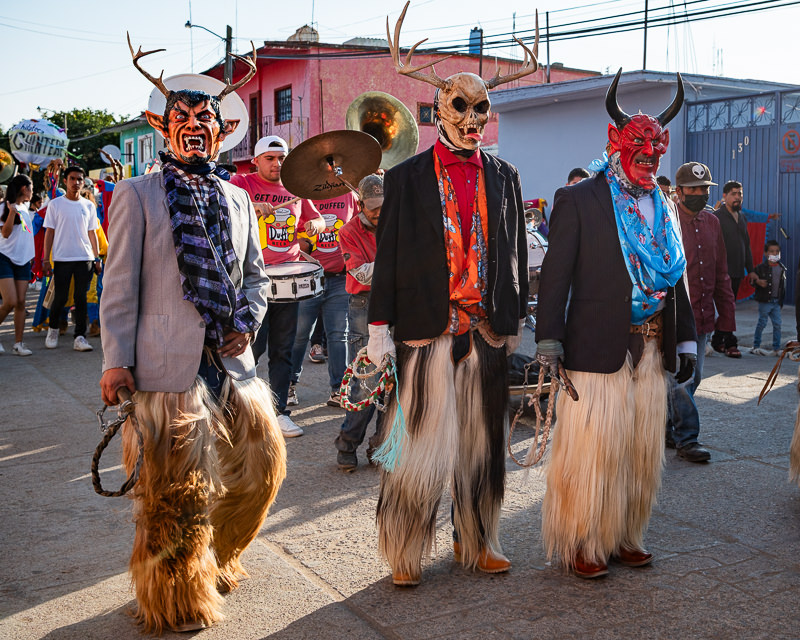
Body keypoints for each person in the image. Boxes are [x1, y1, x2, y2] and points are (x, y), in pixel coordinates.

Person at [100, 39, 286, 633]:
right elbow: (119, 288)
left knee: (260, 472)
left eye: (205, 119)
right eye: (182, 118)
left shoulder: (237, 197)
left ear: (222, 130)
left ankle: (216, 559)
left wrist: (246, 322)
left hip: (232, 364)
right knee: (173, 499)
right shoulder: (136, 195)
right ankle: (173, 598)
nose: (195, 128)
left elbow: (256, 277)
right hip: (164, 369)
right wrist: (115, 362)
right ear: (162, 126)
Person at [366, 4, 530, 586]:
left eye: (481, 106)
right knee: (415, 449)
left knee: (482, 445)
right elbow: (387, 258)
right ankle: (405, 549)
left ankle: (479, 538)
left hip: (484, 331)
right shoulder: (406, 177)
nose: (472, 117)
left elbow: (514, 252)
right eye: (460, 105)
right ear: (439, 110)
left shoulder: (505, 175)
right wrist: (378, 328)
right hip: (425, 329)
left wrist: (515, 315)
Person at [536, 69, 697, 579]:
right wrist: (548, 341)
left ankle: (627, 533)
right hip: (595, 346)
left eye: (656, 146)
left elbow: (677, 275)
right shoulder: (580, 199)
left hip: (650, 347)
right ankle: (583, 539)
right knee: (591, 451)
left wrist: (687, 336)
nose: (649, 154)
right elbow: (555, 277)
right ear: (616, 141)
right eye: (639, 144)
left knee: (638, 452)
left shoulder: (665, 203)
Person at [230, 135, 325, 437]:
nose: (277, 163)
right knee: (248, 348)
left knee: (283, 349)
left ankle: (279, 412)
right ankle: (235, 410)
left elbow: (319, 220)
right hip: (250, 279)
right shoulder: (241, 184)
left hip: (289, 280)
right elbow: (223, 209)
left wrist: (315, 226)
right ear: (255, 160)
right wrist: (250, 207)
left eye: (281, 157)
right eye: (270, 158)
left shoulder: (296, 187)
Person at [667, 162, 734, 463]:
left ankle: (668, 429)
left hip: (704, 317)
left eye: (704, 189)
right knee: (683, 379)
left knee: (695, 378)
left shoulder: (712, 223)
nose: (699, 194)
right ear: (679, 191)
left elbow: (721, 273)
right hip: (677, 317)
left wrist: (727, 323)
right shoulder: (667, 220)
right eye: (693, 189)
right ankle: (687, 439)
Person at [334, 174, 386, 471]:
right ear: (360, 203)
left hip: (395, 302)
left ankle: (380, 446)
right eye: (373, 208)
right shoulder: (348, 231)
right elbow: (360, 274)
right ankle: (347, 444)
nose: (379, 213)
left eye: (383, 206)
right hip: (364, 305)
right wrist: (396, 261)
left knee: (394, 382)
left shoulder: (395, 221)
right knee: (367, 381)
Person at [289, 189, 356, 408]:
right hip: (308, 275)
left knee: (339, 335)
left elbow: (358, 229)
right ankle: (288, 385)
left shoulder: (349, 195)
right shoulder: (303, 195)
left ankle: (339, 390)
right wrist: (304, 242)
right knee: (299, 335)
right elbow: (291, 234)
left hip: (339, 279)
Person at [41, 166, 101, 352]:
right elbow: (49, 232)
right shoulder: (55, 204)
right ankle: (53, 329)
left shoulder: (89, 206)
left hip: (85, 258)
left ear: (83, 182)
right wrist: (45, 259)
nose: (76, 183)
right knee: (60, 297)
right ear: (65, 181)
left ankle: (80, 337)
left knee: (81, 298)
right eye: (72, 179)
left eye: (79, 179)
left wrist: (97, 257)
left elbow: (93, 233)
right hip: (62, 258)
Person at [711, 180, 753, 357]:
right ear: (724, 196)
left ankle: (717, 340)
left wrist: (750, 269)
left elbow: (747, 244)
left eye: (740, 194)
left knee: (728, 307)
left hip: (737, 271)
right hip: (721, 272)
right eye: (734, 194)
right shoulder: (717, 217)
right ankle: (730, 343)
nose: (737, 197)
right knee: (727, 308)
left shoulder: (742, 217)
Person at [0, 174, 35, 356]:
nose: (33, 191)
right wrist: (11, 212)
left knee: (21, 302)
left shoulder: (26, 206)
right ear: (24, 189)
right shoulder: (3, 208)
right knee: (10, 301)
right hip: (4, 258)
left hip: (23, 260)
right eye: (31, 187)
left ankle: (18, 344)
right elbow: (5, 234)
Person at [751, 240, 786, 356]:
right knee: (762, 323)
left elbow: (782, 287)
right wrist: (757, 281)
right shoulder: (760, 268)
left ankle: (776, 348)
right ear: (766, 253)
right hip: (765, 302)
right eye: (771, 251)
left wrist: (781, 301)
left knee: (777, 324)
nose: (774, 254)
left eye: (777, 251)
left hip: (776, 302)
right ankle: (756, 346)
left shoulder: (782, 269)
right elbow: (752, 281)